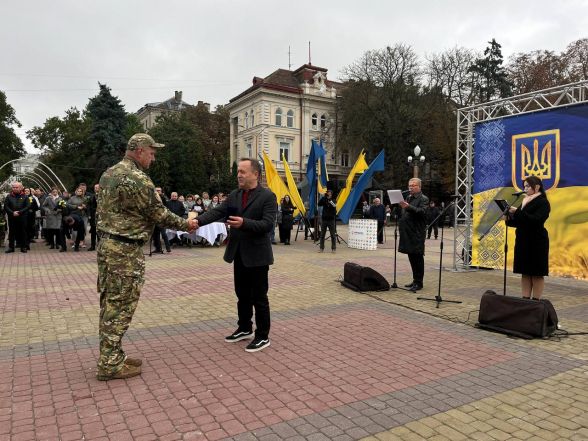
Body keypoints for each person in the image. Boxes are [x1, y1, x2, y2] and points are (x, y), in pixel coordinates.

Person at [96, 133, 197, 380]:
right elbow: (158, 214)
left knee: (110, 302)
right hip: (125, 251)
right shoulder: (138, 179)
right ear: (139, 150)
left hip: (108, 246)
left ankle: (113, 355)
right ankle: (109, 364)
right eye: (151, 153)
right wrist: (188, 223)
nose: (153, 157)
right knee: (121, 305)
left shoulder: (109, 173)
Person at [196, 158, 277, 353]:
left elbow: (268, 225)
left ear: (255, 174)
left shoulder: (267, 196)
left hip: (258, 255)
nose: (238, 175)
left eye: (243, 171)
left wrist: (244, 223)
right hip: (238, 253)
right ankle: (245, 327)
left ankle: (262, 335)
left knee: (259, 296)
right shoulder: (234, 195)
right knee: (241, 294)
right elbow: (217, 212)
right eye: (238, 171)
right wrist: (195, 222)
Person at [505, 176, 550, 299]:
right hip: (523, 240)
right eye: (524, 186)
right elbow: (520, 221)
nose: (525, 189)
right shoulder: (525, 201)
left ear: (537, 187)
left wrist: (517, 212)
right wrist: (509, 217)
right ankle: (525, 300)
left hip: (536, 241)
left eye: (527, 186)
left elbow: (536, 220)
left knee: (536, 273)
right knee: (525, 272)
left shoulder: (543, 202)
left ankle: (536, 301)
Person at [398, 178, 429, 291]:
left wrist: (408, 207)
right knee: (411, 256)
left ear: (419, 187)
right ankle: (415, 280)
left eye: (413, 185)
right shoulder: (408, 197)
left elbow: (422, 212)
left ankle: (419, 283)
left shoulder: (423, 198)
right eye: (409, 185)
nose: (410, 187)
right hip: (408, 232)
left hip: (417, 233)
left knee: (417, 258)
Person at [4, 182, 30, 253]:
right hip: (12, 217)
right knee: (11, 233)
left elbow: (27, 206)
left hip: (22, 217)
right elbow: (6, 206)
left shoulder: (25, 196)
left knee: (23, 232)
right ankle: (11, 247)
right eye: (13, 187)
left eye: (16, 187)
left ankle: (23, 247)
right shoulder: (9, 196)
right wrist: (12, 213)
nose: (14, 189)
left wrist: (19, 212)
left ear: (21, 188)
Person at [87, 184, 99, 251]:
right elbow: (89, 206)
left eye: (97, 187)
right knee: (93, 231)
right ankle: (92, 246)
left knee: (99, 232)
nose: (96, 188)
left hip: (100, 216)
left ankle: (99, 245)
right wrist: (89, 214)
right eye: (95, 187)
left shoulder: (103, 196)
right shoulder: (91, 196)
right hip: (93, 215)